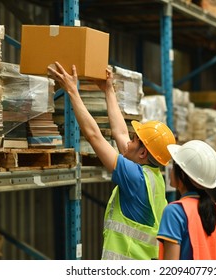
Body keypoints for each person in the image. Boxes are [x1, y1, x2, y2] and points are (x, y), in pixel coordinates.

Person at [47, 62, 176, 260]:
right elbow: (120, 131)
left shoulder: (135, 178)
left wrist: (72, 91)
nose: (127, 143)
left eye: (133, 140)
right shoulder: (153, 177)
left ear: (142, 153)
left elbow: (94, 136)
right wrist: (108, 89)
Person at [157, 140, 216, 260]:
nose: (170, 171)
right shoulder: (215, 211)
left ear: (182, 175)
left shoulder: (174, 212)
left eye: (173, 166)